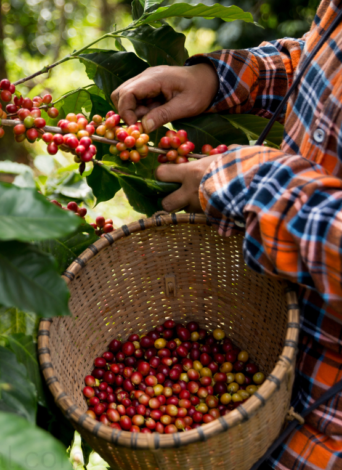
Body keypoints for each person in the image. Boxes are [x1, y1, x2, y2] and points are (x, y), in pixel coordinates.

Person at [111, 1, 342, 467]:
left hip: (322, 423)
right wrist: (228, 77)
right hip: (265, 336)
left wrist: (249, 182)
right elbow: (323, 64)